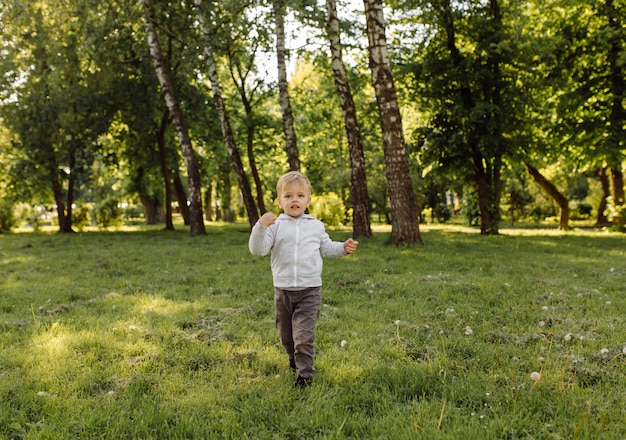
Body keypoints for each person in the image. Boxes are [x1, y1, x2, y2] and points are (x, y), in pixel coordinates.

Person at [248, 171, 359, 388]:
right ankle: (293, 358)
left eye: (300, 196)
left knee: (304, 335)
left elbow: (326, 247)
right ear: (279, 201)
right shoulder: (275, 226)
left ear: (308, 200)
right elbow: (258, 250)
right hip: (283, 291)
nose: (294, 200)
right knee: (286, 337)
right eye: (288, 196)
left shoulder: (315, 226)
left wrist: (343, 248)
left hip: (309, 291)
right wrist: (260, 227)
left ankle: (305, 375)